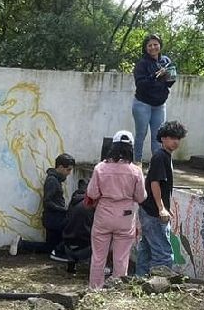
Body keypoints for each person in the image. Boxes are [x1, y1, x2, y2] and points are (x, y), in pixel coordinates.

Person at [87, 134, 147, 288]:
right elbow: (141, 197)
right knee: (121, 258)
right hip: (125, 217)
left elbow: (92, 193)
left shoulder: (100, 168)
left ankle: (95, 289)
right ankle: (117, 291)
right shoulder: (135, 170)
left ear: (112, 146)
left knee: (99, 257)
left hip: (103, 215)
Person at [135, 121, 187, 276]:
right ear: (163, 138)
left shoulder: (163, 156)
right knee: (163, 253)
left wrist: (163, 206)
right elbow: (154, 183)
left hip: (149, 210)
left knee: (147, 249)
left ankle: (140, 278)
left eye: (178, 138)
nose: (176, 141)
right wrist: (161, 208)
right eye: (172, 137)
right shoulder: (160, 157)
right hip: (153, 212)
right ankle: (159, 285)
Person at [10, 153, 76, 258]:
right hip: (54, 219)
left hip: (54, 218)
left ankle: (23, 244)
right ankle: (23, 244)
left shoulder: (55, 180)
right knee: (56, 245)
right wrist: (63, 210)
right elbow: (47, 202)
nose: (69, 173)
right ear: (60, 167)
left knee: (51, 246)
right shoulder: (52, 181)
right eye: (68, 170)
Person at [130, 34, 176, 163]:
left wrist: (169, 76)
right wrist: (154, 76)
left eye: (155, 44)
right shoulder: (142, 64)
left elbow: (170, 82)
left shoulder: (166, 60)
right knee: (141, 134)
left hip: (159, 105)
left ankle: (157, 165)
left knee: (158, 137)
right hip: (142, 104)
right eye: (149, 45)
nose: (153, 47)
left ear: (160, 45)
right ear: (146, 48)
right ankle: (136, 164)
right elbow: (140, 84)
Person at [56, 179, 94, 273]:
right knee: (107, 236)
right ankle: (98, 268)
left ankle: (71, 265)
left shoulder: (74, 202)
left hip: (68, 247)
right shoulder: (92, 205)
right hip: (84, 249)